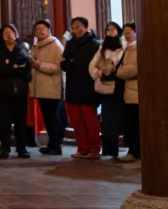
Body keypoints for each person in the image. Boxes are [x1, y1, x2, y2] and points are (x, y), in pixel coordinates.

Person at [62, 16, 101, 160]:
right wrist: (69, 64)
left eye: (79, 27)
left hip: (88, 86)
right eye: (73, 27)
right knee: (76, 120)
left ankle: (94, 148)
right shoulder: (70, 44)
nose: (76, 30)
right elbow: (64, 62)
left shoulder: (94, 44)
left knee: (90, 119)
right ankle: (82, 148)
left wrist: (73, 64)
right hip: (73, 85)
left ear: (86, 27)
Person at [0, 24, 32, 159]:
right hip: (3, 91)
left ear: (16, 34)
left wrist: (12, 67)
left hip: (20, 90)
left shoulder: (22, 50)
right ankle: (5, 148)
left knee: (21, 120)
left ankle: (22, 148)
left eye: (11, 32)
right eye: (5, 33)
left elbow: (26, 68)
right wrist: (14, 67)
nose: (8, 35)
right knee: (4, 121)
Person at [90, 22, 126, 160]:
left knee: (118, 118)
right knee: (107, 119)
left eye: (113, 30)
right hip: (105, 86)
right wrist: (98, 71)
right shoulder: (102, 48)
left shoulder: (123, 47)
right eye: (107, 30)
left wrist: (113, 68)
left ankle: (121, 148)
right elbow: (92, 65)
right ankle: (109, 150)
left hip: (119, 86)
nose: (110, 33)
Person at [30, 19, 65, 155]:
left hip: (51, 87)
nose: (39, 31)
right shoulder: (38, 45)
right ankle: (51, 144)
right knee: (47, 119)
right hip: (41, 87)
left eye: (42, 29)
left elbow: (58, 67)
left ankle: (56, 146)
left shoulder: (55, 45)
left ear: (49, 30)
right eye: (37, 29)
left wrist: (40, 66)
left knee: (52, 118)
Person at [117, 23, 139, 163]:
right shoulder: (126, 48)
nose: (125, 36)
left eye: (128, 32)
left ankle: (137, 152)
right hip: (128, 92)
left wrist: (118, 72)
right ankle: (133, 151)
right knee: (130, 124)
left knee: (136, 125)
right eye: (124, 33)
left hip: (136, 92)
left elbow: (132, 69)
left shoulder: (137, 48)